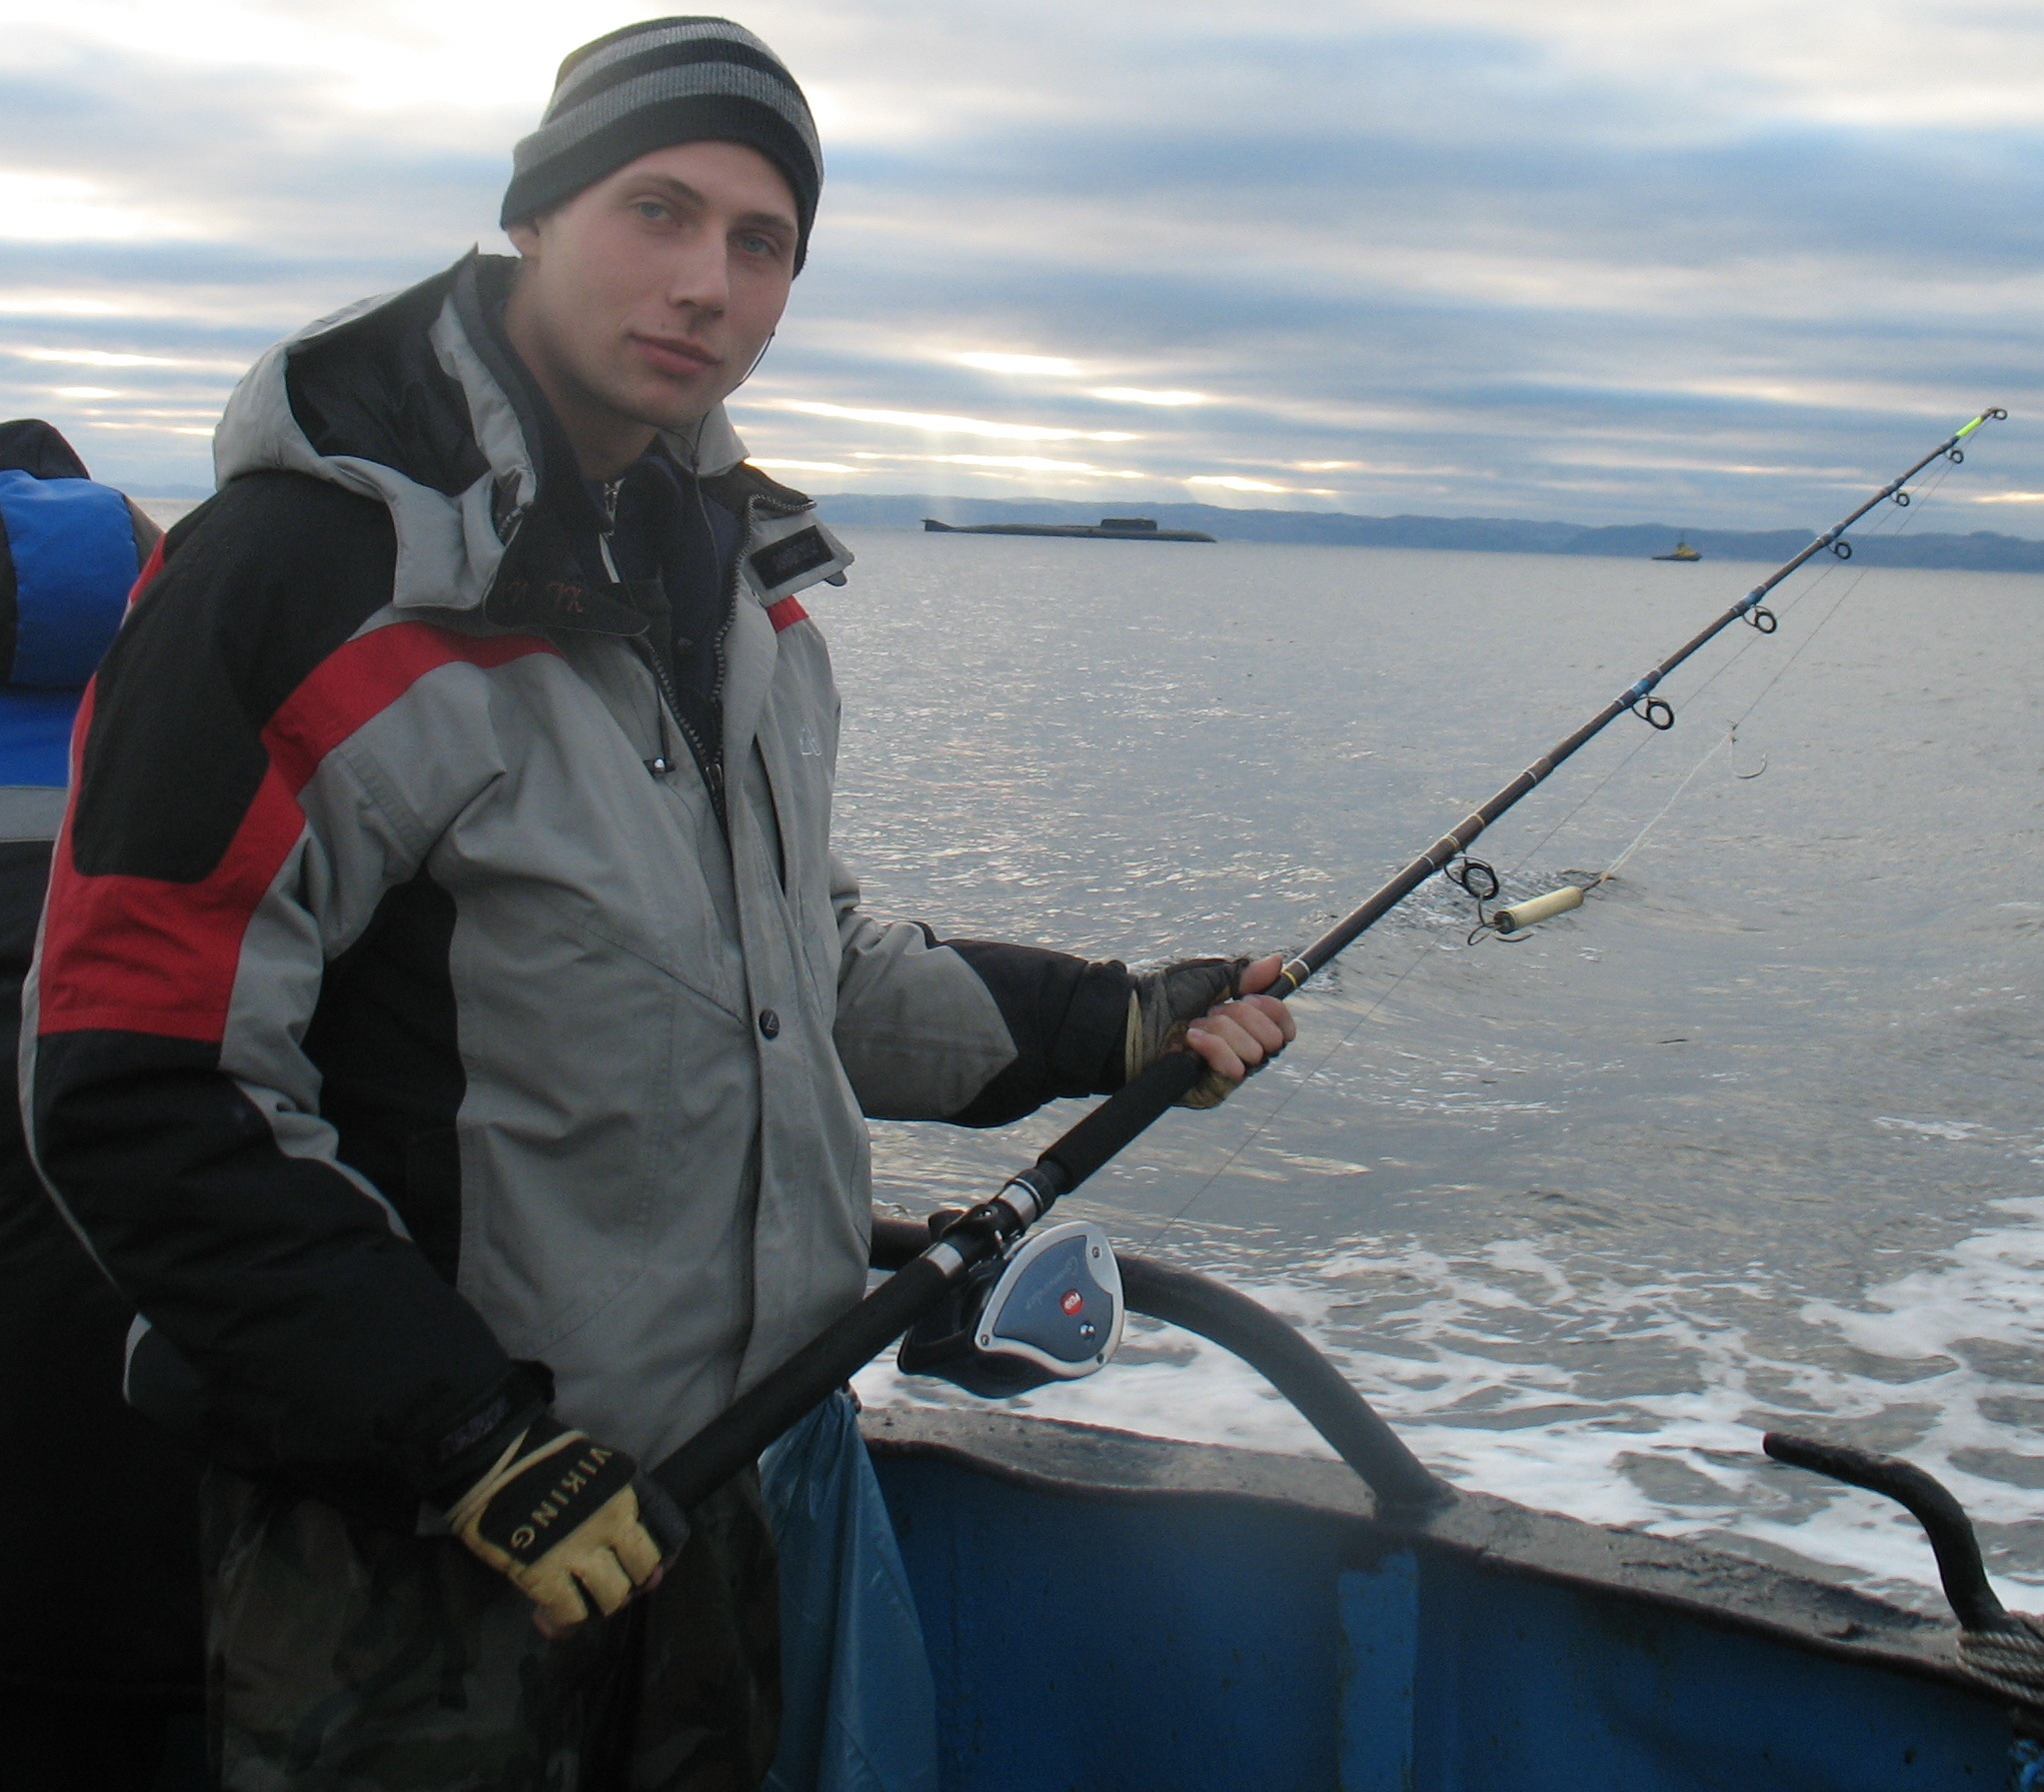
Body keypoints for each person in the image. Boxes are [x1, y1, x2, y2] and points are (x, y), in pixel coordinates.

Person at [21, 18, 1295, 1790]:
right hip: (415, 1547)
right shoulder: (295, 579)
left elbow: (792, 971)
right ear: (534, 216)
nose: (708, 282)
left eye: (761, 243)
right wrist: (465, 1436)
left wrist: (1117, 1021)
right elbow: (139, 1082)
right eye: (658, 210)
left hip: (718, 1491)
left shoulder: (735, 588)